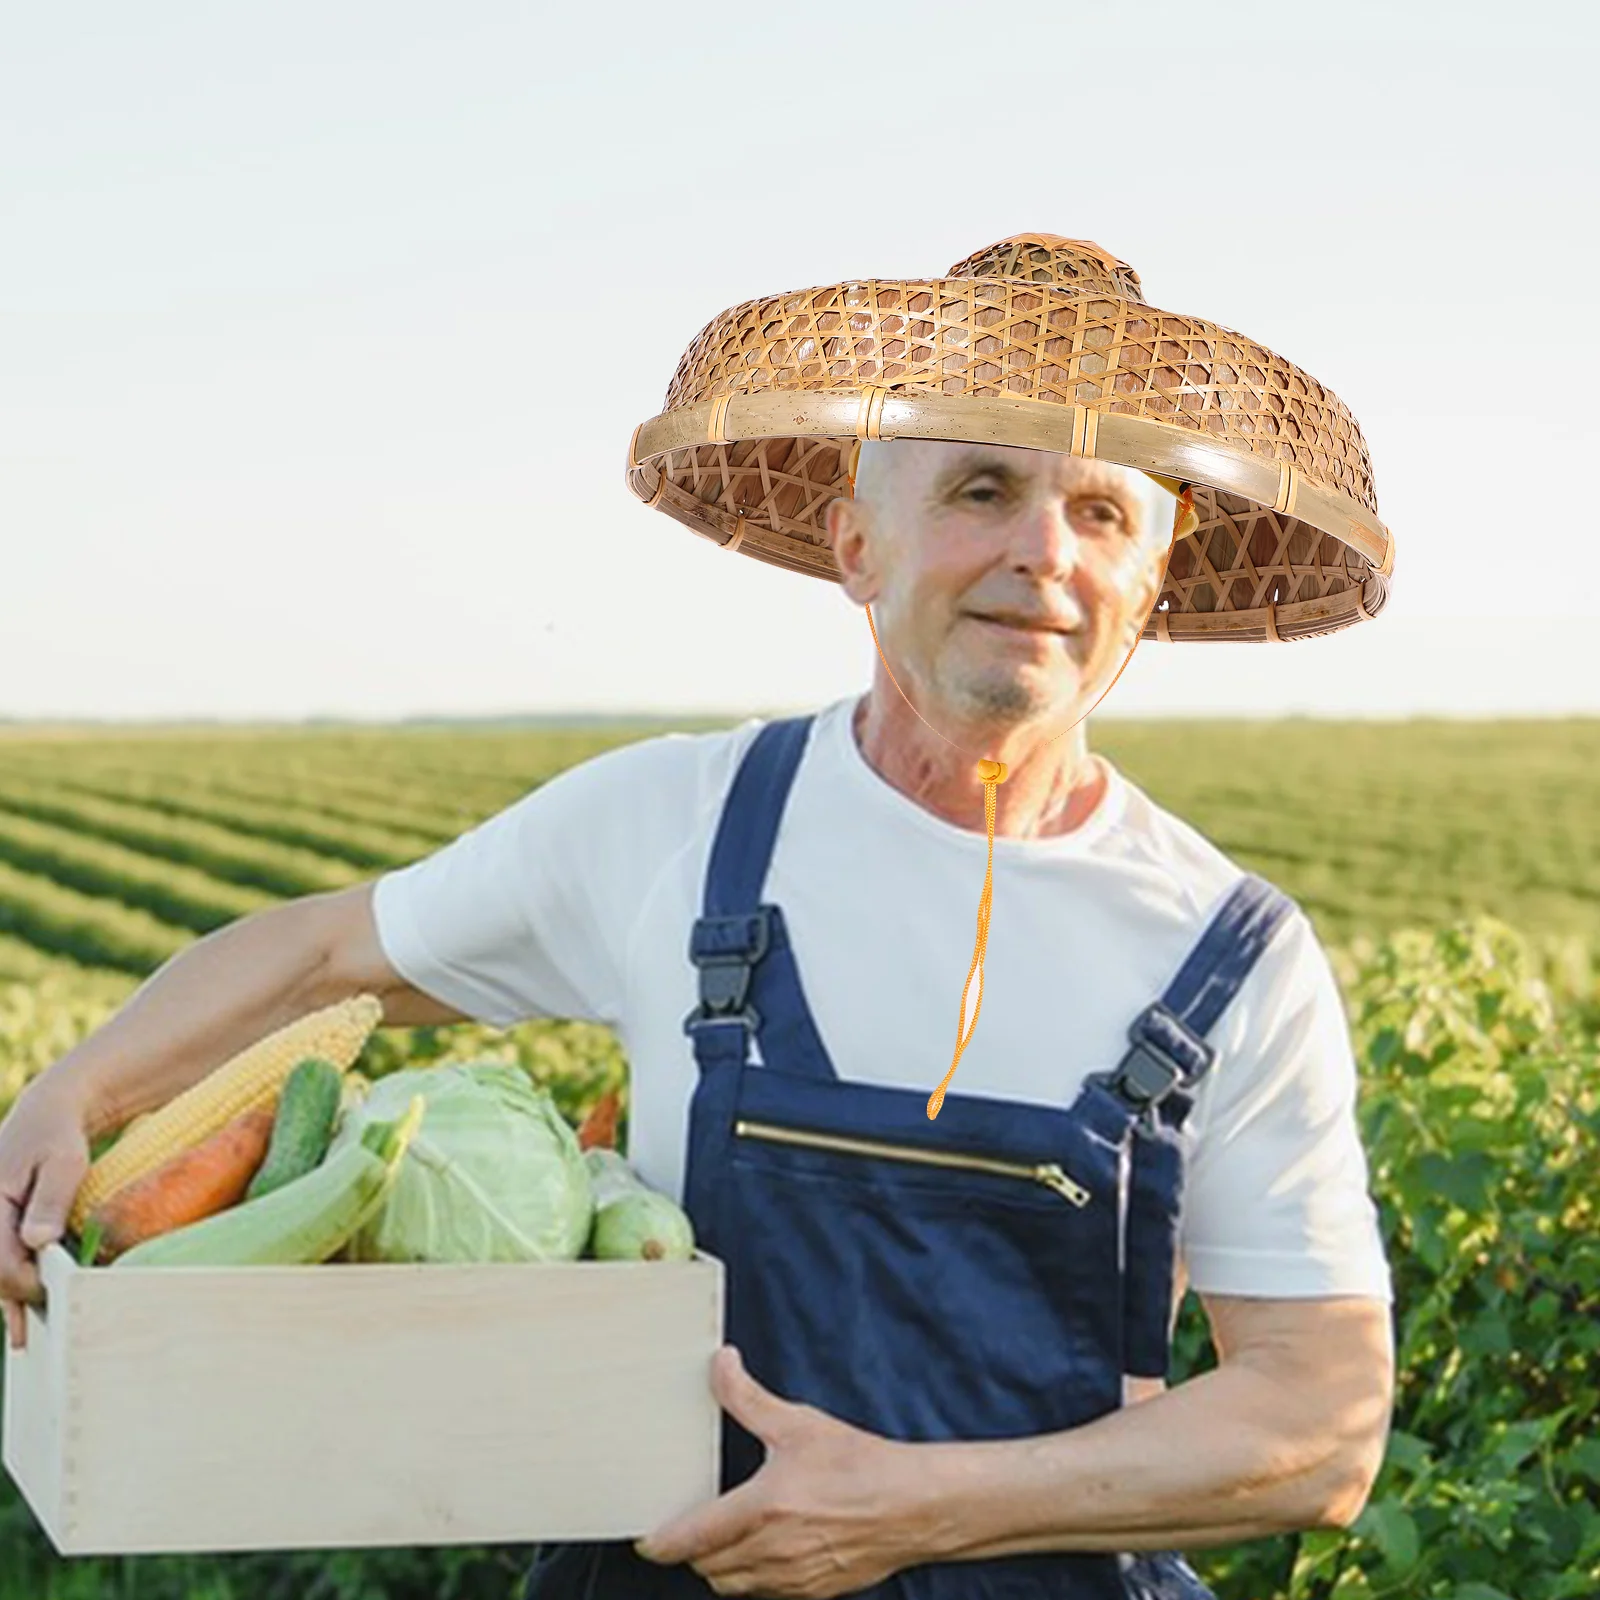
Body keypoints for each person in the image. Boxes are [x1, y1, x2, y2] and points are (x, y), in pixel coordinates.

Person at [0, 437, 1395, 1600]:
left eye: (1103, 513)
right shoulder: (680, 823)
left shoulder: (1231, 950)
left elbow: (1315, 1427)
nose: (1044, 550)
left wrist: (919, 1506)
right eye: (980, 490)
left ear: (1151, 581)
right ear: (856, 546)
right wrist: (68, 1098)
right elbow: (324, 959)